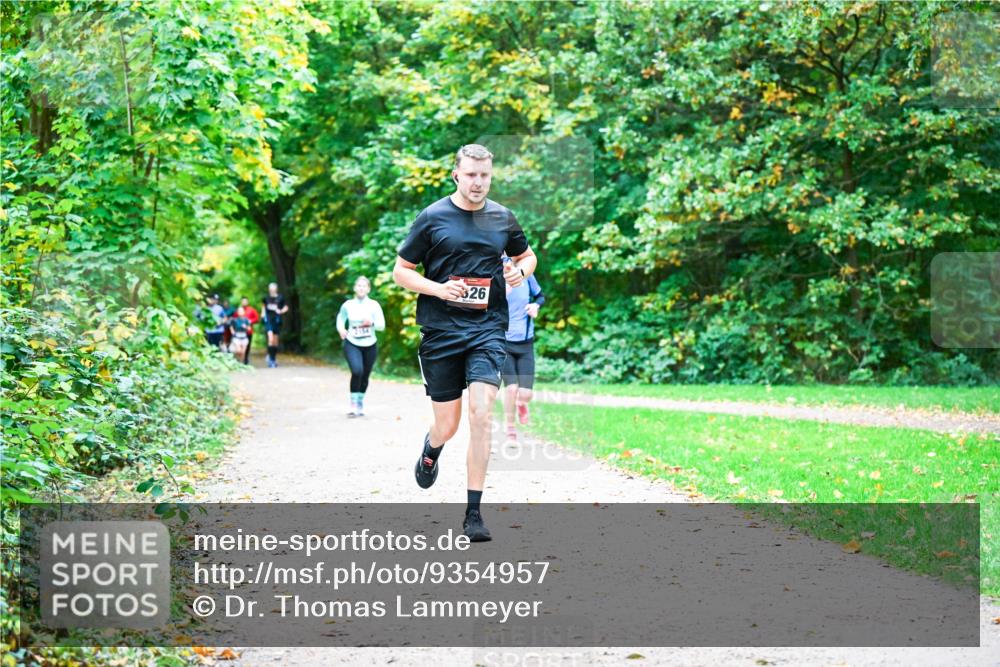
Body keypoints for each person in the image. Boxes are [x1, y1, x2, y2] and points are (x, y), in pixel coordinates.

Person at [392, 143, 537, 542]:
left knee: (480, 412)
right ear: (457, 174)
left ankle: (473, 513)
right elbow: (401, 272)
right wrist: (439, 290)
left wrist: (520, 273)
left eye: (484, 175)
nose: (478, 182)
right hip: (441, 332)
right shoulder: (433, 217)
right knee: (448, 424)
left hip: (488, 330)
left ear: (491, 175)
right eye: (471, 174)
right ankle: (431, 448)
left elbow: (528, 257)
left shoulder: (502, 218)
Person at [501, 258, 544, 441]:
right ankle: (510, 427)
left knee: (525, 394)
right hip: (503, 342)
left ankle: (522, 403)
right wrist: (501, 293)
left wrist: (536, 305)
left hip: (525, 342)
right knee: (511, 389)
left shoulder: (526, 274)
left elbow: (540, 296)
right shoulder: (495, 276)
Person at [336, 276, 386, 417]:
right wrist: (341, 329)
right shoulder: (348, 305)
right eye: (358, 285)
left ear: (368, 289)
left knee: (365, 375)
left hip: (370, 344)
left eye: (364, 286)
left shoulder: (374, 305)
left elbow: (381, 325)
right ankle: (352, 404)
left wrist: (371, 322)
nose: (361, 288)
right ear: (354, 288)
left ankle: (360, 402)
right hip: (352, 342)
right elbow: (340, 319)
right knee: (357, 371)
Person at [261, 282, 288, 368]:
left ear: (276, 289)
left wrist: (281, 311)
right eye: (270, 288)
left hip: (277, 320)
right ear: (269, 289)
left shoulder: (280, 298)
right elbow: (263, 307)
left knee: (276, 341)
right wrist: (262, 314)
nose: (272, 290)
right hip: (269, 320)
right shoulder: (266, 298)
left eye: (273, 288)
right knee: (271, 339)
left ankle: (273, 357)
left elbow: (286, 307)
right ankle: (270, 359)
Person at [239, 297, 260, 365]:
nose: (244, 302)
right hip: (239, 332)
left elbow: (257, 318)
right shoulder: (239, 310)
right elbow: (234, 319)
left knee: (247, 345)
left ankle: (245, 358)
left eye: (245, 301)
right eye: (243, 301)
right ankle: (241, 359)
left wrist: (250, 321)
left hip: (249, 331)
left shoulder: (252, 310)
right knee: (240, 345)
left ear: (247, 302)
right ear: (241, 302)